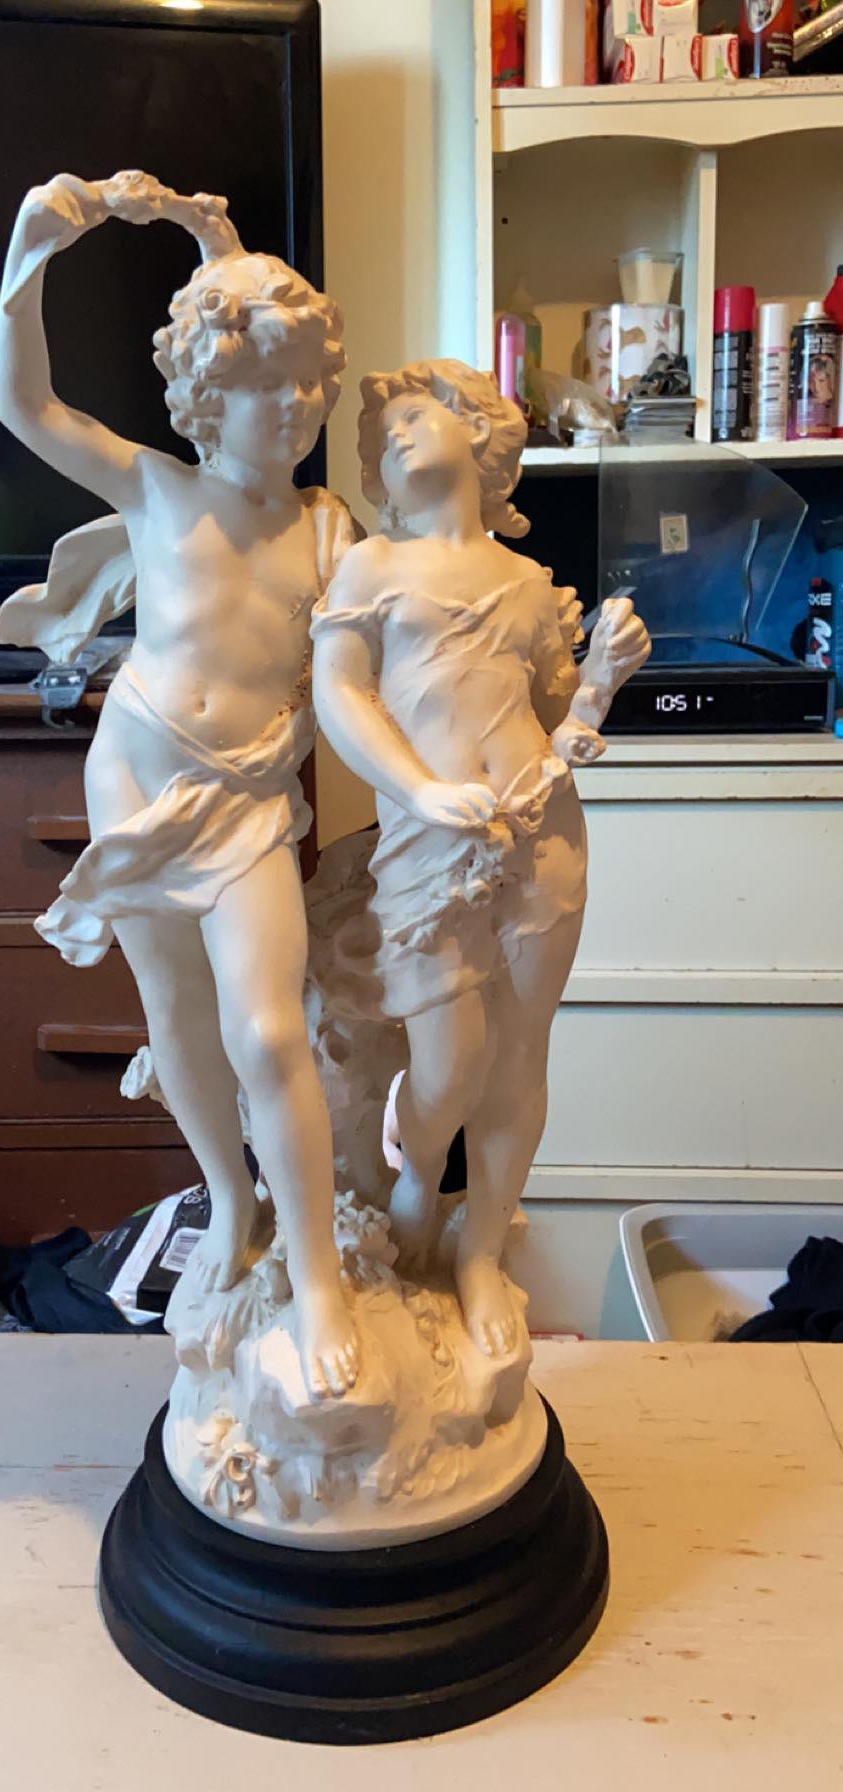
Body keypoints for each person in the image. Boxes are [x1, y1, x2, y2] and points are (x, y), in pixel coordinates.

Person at [0, 170, 359, 1399]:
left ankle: (319, 1272)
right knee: (179, 1021)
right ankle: (232, 1203)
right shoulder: (156, 488)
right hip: (138, 783)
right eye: (263, 387)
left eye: (307, 385)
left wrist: (217, 241)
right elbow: (24, 403)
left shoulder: (330, 532)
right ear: (208, 395)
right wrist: (28, 262)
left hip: (247, 804)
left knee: (269, 1028)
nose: (292, 408)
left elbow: (378, 666)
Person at [312, 359, 648, 1357]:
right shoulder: (372, 566)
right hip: (428, 842)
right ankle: (419, 1188)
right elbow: (340, 692)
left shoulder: (529, 585)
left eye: (419, 415)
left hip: (544, 838)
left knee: (519, 1057)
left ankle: (480, 1255)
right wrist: (419, 789)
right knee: (449, 1062)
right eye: (385, 434)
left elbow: (556, 722)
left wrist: (600, 685)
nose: (397, 435)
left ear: (480, 431)